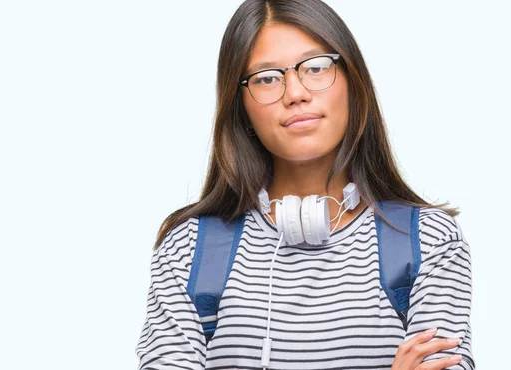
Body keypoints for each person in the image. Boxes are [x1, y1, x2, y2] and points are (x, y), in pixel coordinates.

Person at [135, 0, 474, 369]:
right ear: (242, 109)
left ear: (353, 84)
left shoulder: (429, 241)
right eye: (266, 78)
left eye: (316, 67)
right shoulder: (188, 249)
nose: (295, 92)